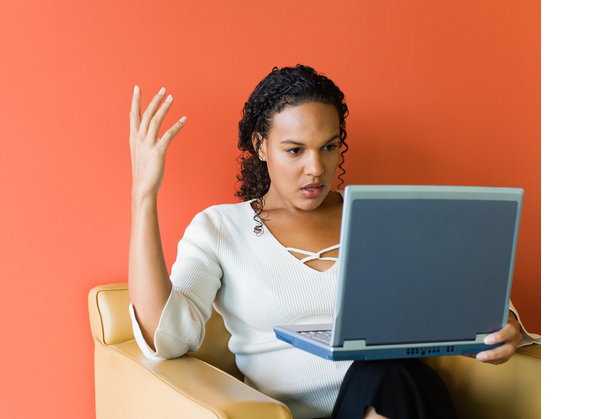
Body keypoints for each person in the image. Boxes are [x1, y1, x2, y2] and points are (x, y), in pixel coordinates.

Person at [127, 65, 529, 419]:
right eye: (295, 150)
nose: (316, 169)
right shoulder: (218, 228)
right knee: (381, 373)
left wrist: (503, 325)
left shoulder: (379, 218)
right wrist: (144, 197)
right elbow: (167, 339)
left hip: (401, 394)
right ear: (260, 146)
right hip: (313, 410)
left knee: (388, 372)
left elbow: (465, 295)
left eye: (329, 147)